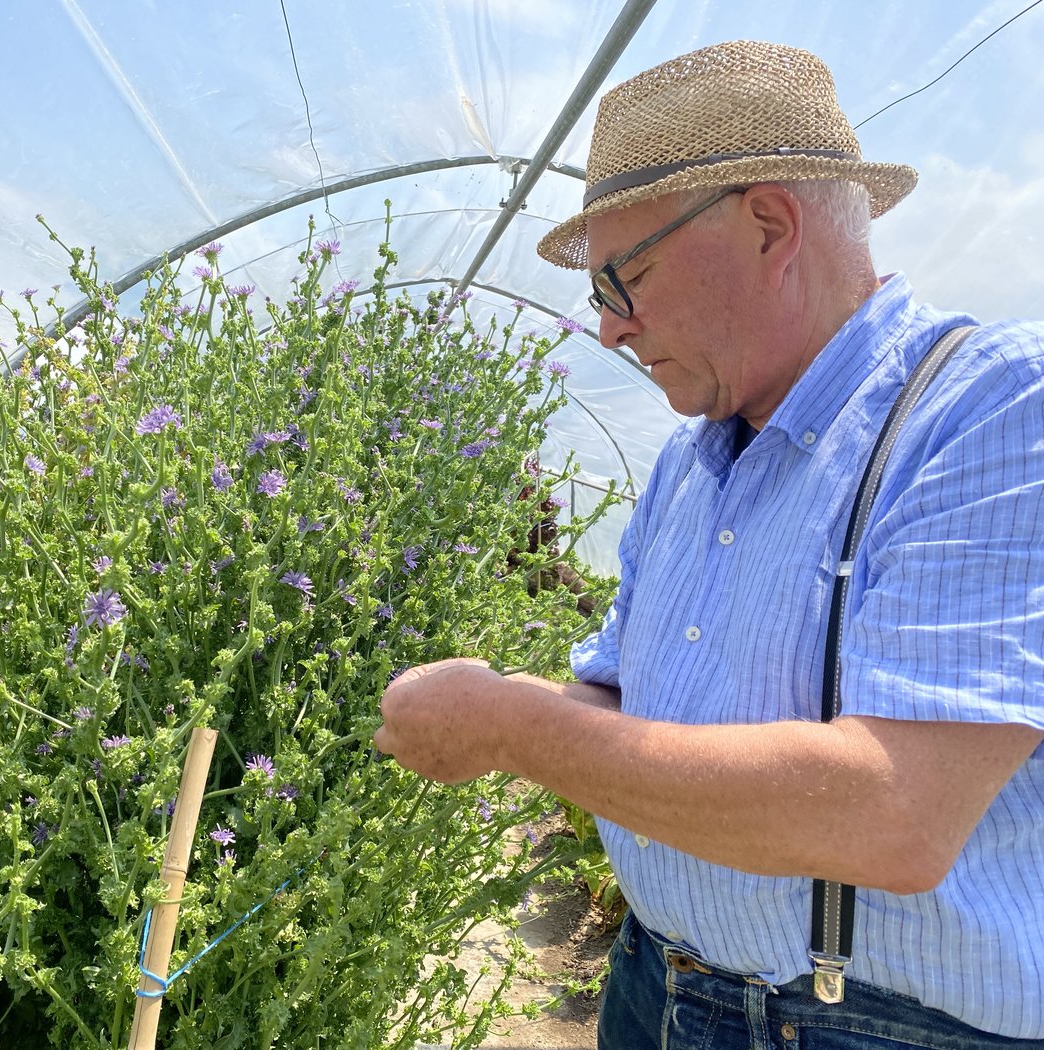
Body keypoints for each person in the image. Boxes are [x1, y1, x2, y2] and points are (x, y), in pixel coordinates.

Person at [372, 39, 1044, 1048]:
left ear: (768, 222)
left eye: (622, 279)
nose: (608, 331)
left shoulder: (985, 404)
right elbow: (619, 697)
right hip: (656, 985)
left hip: (863, 1025)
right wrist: (489, 699)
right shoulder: (690, 461)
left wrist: (511, 730)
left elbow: (895, 816)